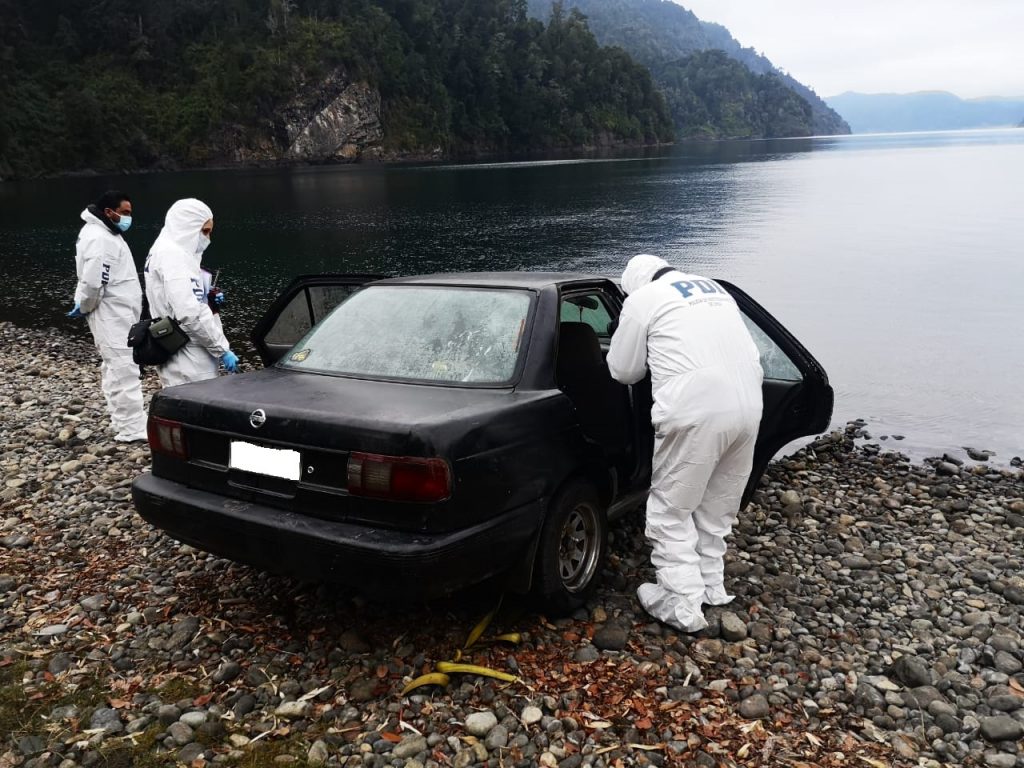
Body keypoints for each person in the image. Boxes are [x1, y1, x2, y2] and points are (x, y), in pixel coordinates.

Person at [607, 254, 763, 633]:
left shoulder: (643, 300)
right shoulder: (716, 290)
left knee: (670, 509)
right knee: (717, 503)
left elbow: (623, 370)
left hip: (694, 411)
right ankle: (711, 585)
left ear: (634, 284)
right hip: (749, 406)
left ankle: (681, 603)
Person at [67, 190, 149, 442]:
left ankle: (122, 420)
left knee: (115, 367)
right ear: (108, 212)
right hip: (110, 313)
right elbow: (94, 280)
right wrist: (86, 304)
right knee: (125, 367)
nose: (127, 218)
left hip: (118, 311)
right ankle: (133, 428)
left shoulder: (106, 233)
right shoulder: (100, 238)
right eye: (124, 213)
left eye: (129, 213)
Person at [144, 198, 239, 387]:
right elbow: (189, 312)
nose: (207, 238)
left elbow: (174, 295)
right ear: (187, 227)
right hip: (189, 354)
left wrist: (208, 295)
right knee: (197, 406)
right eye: (204, 231)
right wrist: (222, 349)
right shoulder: (175, 256)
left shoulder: (163, 249)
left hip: (173, 344)